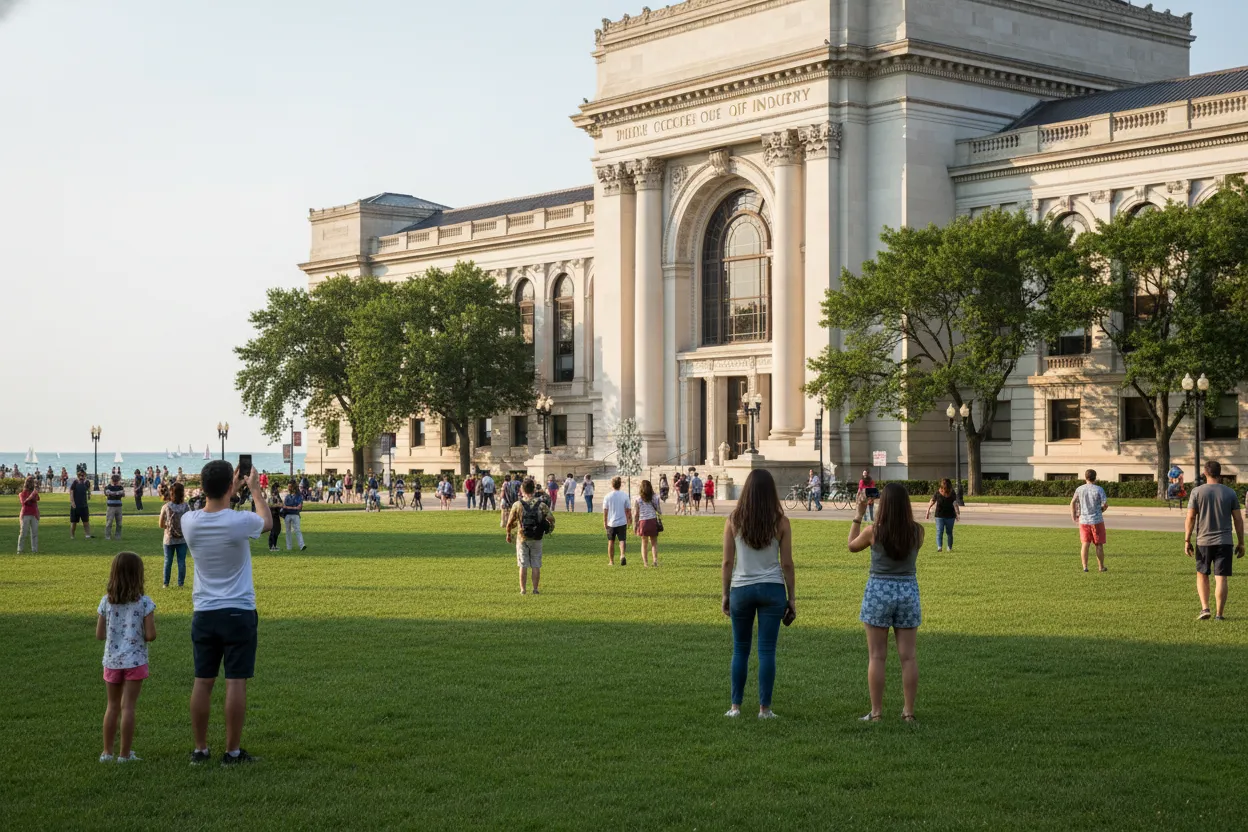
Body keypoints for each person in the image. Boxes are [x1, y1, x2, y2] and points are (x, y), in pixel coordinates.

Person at [181, 460, 272, 766]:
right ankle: (232, 752)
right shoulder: (239, 521)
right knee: (235, 681)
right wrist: (255, 490)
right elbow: (267, 522)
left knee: (202, 681)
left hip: (204, 612)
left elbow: (212, 505)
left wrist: (229, 489)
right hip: (238, 611)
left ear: (202, 486)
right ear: (230, 486)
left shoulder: (190, 522)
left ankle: (200, 749)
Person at [721, 469, 795, 719]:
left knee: (740, 649)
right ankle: (765, 709)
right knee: (767, 650)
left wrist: (725, 594)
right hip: (772, 588)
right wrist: (792, 598)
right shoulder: (781, 522)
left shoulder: (734, 520)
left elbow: (727, 563)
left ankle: (735, 707)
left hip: (741, 588)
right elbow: (787, 564)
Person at [848, 482, 924, 723]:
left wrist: (858, 515)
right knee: (908, 657)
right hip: (908, 591)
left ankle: (877, 712)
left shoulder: (874, 532)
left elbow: (851, 546)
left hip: (879, 591)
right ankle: (908, 712)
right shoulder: (917, 532)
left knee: (877, 656)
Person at [96, 551, 157, 763]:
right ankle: (124, 754)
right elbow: (151, 635)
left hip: (112, 661)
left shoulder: (106, 602)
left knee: (112, 706)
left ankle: (107, 752)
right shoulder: (145, 603)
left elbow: (100, 634)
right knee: (128, 706)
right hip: (135, 661)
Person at [1185, 460, 1245, 621]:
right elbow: (1238, 519)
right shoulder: (1230, 493)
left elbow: (1191, 517)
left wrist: (1187, 540)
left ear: (1205, 473)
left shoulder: (1197, 492)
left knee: (1202, 574)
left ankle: (1205, 608)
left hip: (1203, 541)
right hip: (1225, 541)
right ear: (1220, 474)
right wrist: (1241, 542)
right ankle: (1219, 614)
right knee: (1221, 577)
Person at [505, 477, 555, 595]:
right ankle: (535, 589)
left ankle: (523, 590)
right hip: (537, 537)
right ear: (534, 490)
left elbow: (509, 523)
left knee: (523, 564)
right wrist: (548, 529)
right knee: (536, 564)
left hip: (522, 537)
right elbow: (551, 519)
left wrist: (508, 534)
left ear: (522, 489)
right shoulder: (541, 505)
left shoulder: (517, 505)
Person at [1071, 469, 1108, 573]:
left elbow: (1073, 502)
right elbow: (1105, 504)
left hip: (1083, 520)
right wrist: (1101, 510)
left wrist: (1074, 515)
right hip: (1097, 520)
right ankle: (1101, 567)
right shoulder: (1099, 489)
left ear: (1085, 477)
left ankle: (1085, 567)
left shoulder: (1079, 489)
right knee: (1099, 544)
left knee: (1085, 544)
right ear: (1095, 478)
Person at [160, 482, 192, 588]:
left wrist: (169, 527)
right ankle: (180, 584)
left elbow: (160, 524)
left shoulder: (166, 506)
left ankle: (166, 583)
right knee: (181, 561)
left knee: (168, 561)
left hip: (169, 538)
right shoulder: (186, 507)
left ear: (171, 493)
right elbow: (190, 522)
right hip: (182, 538)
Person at [925, 478, 960, 552]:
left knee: (949, 532)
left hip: (950, 516)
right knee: (939, 531)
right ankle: (939, 547)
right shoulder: (937, 493)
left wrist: (957, 513)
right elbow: (932, 501)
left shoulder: (952, 493)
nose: (945, 489)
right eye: (944, 487)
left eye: (947, 487)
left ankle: (949, 548)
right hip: (939, 516)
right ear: (942, 486)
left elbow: (955, 503)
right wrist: (928, 510)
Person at [603, 476, 632, 566]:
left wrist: (605, 521)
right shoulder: (625, 495)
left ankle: (611, 561)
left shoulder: (608, 496)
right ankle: (622, 555)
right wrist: (629, 519)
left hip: (611, 522)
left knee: (611, 541)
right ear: (620, 485)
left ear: (612, 485)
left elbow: (605, 510)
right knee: (622, 540)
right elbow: (628, 509)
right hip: (622, 521)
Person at [634, 479, 663, 567]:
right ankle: (655, 561)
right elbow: (659, 510)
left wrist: (635, 525)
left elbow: (636, 514)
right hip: (652, 520)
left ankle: (645, 563)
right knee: (654, 542)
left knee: (644, 543)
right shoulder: (655, 497)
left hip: (643, 521)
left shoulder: (638, 499)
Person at [17, 475, 39, 553]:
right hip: (25, 514)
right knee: (23, 533)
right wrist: (31, 496)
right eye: (30, 482)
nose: (31, 484)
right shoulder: (22, 493)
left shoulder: (34, 492)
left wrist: (38, 513)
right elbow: (24, 503)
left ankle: (34, 550)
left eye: (32, 482)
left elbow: (36, 500)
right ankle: (20, 549)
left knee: (34, 533)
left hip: (34, 514)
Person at [69, 469, 93, 539]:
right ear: (78, 475)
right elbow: (71, 492)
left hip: (84, 506)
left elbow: (88, 489)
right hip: (75, 506)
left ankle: (87, 535)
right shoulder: (75, 483)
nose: (81, 477)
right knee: (74, 522)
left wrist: (89, 494)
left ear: (85, 475)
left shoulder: (86, 482)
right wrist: (72, 502)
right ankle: (72, 536)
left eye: (83, 475)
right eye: (80, 475)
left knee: (86, 522)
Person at [283, 481, 306, 551]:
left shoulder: (299, 496)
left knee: (297, 530)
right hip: (288, 515)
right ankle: (289, 547)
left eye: (290, 486)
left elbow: (299, 507)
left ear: (293, 487)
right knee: (288, 531)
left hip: (295, 515)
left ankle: (302, 545)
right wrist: (294, 507)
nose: (288, 488)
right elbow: (284, 506)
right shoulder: (287, 496)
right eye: (288, 486)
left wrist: (288, 507)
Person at [104, 474, 126, 541]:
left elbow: (123, 494)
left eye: (117, 481)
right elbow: (107, 493)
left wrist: (113, 493)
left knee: (119, 523)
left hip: (119, 506)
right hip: (111, 507)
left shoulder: (120, 487)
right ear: (112, 480)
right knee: (109, 522)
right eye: (114, 481)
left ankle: (118, 536)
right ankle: (107, 536)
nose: (115, 482)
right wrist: (117, 493)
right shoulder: (108, 487)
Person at [266, 484, 284, 551]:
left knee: (277, 530)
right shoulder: (272, 497)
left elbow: (281, 504)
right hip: (272, 515)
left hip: (276, 515)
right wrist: (278, 505)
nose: (279, 489)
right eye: (278, 488)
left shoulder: (277, 496)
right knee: (273, 531)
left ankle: (274, 545)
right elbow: (270, 505)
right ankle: (271, 546)